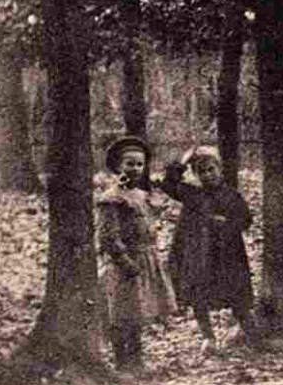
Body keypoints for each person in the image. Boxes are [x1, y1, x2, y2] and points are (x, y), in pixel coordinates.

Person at [159, 146, 260, 353]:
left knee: (236, 294)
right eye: (201, 171)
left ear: (219, 169)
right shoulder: (191, 193)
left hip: (227, 254)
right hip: (199, 253)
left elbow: (246, 220)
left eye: (211, 169)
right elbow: (169, 184)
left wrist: (227, 222)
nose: (207, 175)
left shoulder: (231, 195)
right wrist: (184, 161)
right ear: (195, 174)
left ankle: (253, 336)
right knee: (199, 294)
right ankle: (208, 338)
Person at [97, 136, 178, 371]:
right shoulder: (112, 198)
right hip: (125, 263)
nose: (135, 169)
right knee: (121, 314)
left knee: (137, 312)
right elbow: (108, 236)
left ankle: (137, 360)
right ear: (118, 166)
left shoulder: (141, 195)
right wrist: (125, 261)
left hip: (145, 258)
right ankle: (123, 362)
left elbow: (155, 214)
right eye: (129, 164)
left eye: (139, 164)